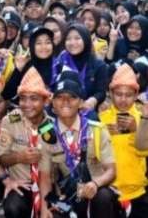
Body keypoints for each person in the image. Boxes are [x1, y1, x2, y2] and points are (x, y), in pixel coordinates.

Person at [39, 78, 117, 218]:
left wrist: (95, 183)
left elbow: (111, 170)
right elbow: (44, 177)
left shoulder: (97, 129)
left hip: (93, 192)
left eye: (72, 97)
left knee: (104, 197)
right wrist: (44, 208)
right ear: (53, 104)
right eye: (60, 97)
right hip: (64, 196)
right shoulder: (46, 133)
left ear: (81, 102)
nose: (65, 102)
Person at [0, 67, 53, 218]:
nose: (27, 104)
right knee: (12, 207)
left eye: (34, 98)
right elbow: (1, 159)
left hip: (49, 188)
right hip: (23, 185)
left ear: (45, 100)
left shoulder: (53, 125)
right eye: (23, 98)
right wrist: (19, 157)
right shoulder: (10, 120)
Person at [99, 64, 148, 218]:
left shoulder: (144, 118)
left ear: (136, 95)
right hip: (110, 192)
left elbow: (144, 151)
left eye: (128, 95)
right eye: (118, 94)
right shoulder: (102, 119)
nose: (123, 99)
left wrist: (137, 129)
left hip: (137, 192)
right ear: (110, 94)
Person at [54, 24, 108, 111]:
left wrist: (93, 100)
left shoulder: (98, 65)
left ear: (86, 39)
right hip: (62, 109)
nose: (72, 42)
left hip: (86, 110)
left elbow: (101, 92)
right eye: (68, 39)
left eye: (77, 38)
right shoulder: (60, 62)